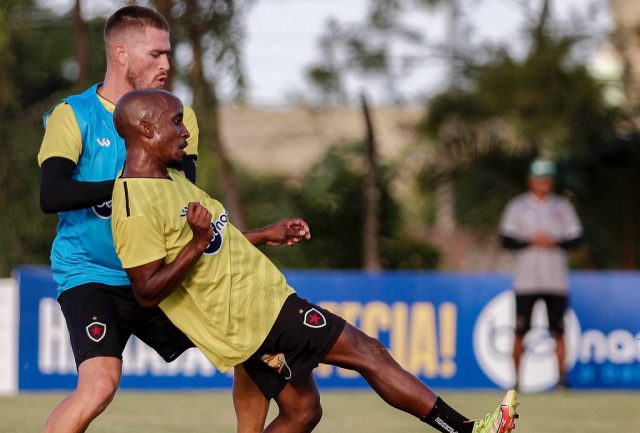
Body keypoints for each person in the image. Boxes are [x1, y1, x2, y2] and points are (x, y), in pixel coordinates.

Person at [111, 88, 519, 433]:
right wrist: (197, 244)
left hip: (261, 307)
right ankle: (466, 430)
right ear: (146, 129)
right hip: (254, 318)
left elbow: (215, 241)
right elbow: (147, 290)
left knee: (304, 411)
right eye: (176, 122)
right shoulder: (133, 206)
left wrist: (262, 235)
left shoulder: (174, 179)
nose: (185, 132)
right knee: (367, 352)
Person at [37, 6, 305, 433]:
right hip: (92, 276)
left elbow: (185, 208)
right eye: (156, 55)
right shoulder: (74, 115)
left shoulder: (178, 119)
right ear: (122, 54)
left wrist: (252, 236)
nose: (166, 65)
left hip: (160, 273)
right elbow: (52, 195)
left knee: (248, 345)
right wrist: (130, 186)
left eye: (169, 55)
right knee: (99, 386)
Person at [499, 158, 584, 390]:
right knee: (520, 331)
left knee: (559, 331)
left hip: (556, 281)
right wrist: (530, 240)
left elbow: (576, 238)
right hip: (527, 281)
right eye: (539, 178)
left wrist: (554, 241)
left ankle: (561, 381)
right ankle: (516, 382)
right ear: (530, 180)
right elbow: (506, 239)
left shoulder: (562, 207)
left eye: (547, 178)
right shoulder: (518, 206)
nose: (543, 183)